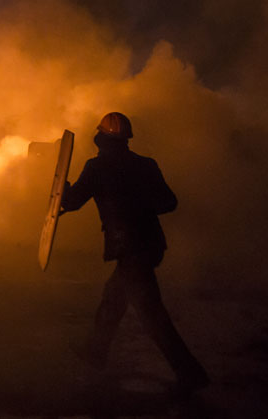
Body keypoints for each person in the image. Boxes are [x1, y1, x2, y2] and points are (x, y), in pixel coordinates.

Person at [61, 112, 209, 394]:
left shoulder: (96, 167)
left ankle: (190, 373)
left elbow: (72, 202)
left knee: (151, 315)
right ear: (127, 139)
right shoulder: (146, 165)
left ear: (101, 137)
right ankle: (95, 352)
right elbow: (169, 202)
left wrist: (61, 190)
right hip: (151, 246)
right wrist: (141, 203)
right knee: (113, 298)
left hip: (129, 250)